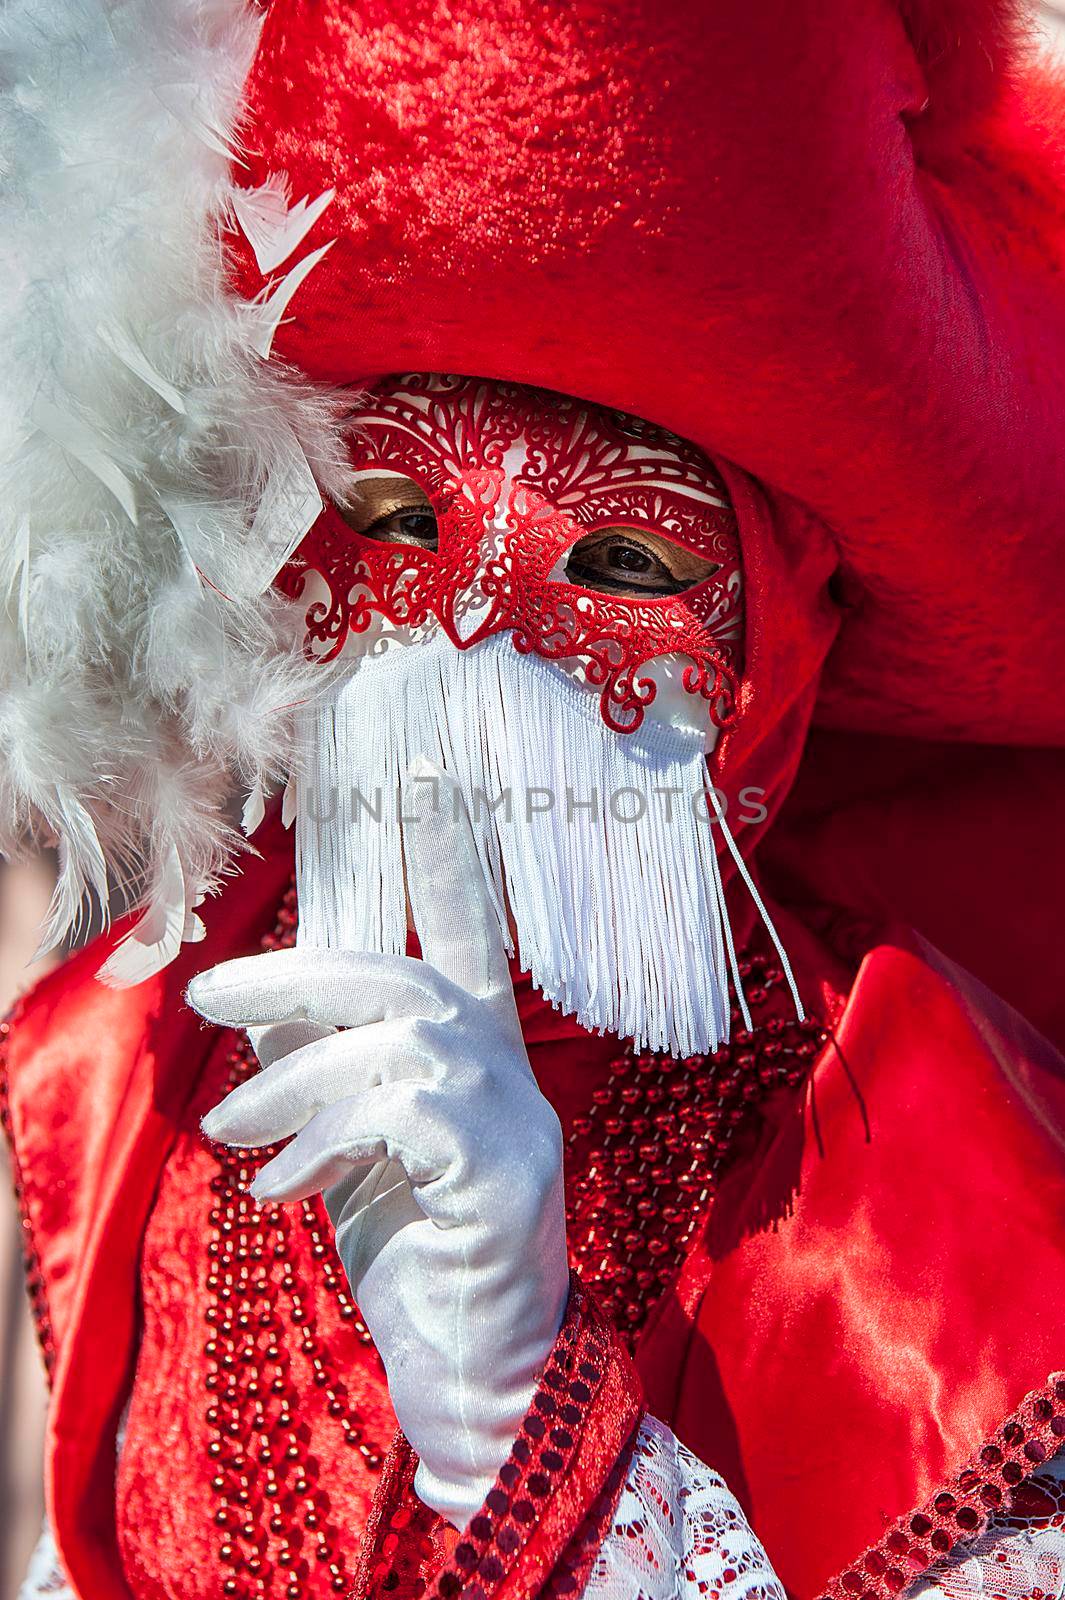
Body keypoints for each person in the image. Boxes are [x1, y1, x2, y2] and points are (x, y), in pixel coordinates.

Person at [2, 3, 1065, 1599]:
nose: (471, 633)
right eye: (395, 517)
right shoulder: (106, 1066)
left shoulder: (908, 1162)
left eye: (620, 563)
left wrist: (517, 1414)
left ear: (769, 678)